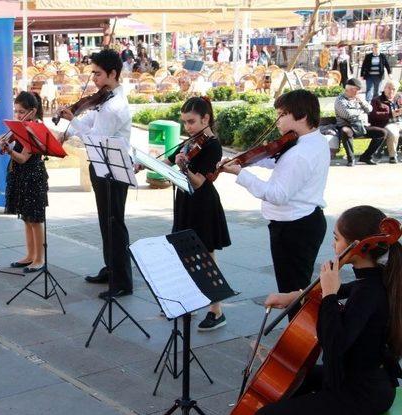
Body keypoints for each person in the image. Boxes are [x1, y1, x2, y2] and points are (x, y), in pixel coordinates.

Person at [254, 205, 402, 415]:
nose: (334, 244)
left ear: (358, 247)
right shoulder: (374, 278)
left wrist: (330, 296)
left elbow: (334, 346)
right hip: (360, 377)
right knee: (293, 379)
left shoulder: (370, 293)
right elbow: (349, 289)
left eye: (337, 238)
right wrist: (293, 296)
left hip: (364, 393)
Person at [219, 89, 329, 320]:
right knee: (296, 291)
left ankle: (300, 345)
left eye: (281, 114)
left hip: (294, 229)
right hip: (303, 223)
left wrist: (241, 173)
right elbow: (279, 162)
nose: (277, 121)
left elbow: (278, 194)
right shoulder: (313, 140)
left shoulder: (299, 153)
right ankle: (302, 339)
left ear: (300, 115)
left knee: (293, 295)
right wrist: (249, 159)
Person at [58, 49, 133, 299]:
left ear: (113, 74)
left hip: (113, 167)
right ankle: (111, 268)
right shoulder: (105, 98)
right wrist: (71, 129)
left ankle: (122, 281)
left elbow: (95, 138)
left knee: (115, 223)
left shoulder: (114, 106)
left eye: (98, 74)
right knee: (105, 221)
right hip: (102, 165)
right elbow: (90, 124)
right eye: (93, 73)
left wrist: (73, 121)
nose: (94, 80)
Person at [164, 97, 231, 331]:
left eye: (191, 122)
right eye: (184, 122)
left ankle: (216, 310)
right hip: (186, 200)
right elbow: (168, 160)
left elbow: (200, 182)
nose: (188, 127)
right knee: (186, 254)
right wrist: (146, 164)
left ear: (206, 118)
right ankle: (189, 302)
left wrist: (185, 167)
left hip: (202, 204)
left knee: (206, 257)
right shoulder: (191, 140)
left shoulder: (213, 145)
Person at [0, 92, 49, 273]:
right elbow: (12, 148)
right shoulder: (20, 128)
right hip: (21, 176)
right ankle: (30, 255)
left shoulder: (34, 130)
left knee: (35, 219)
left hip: (33, 177)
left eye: (22, 111)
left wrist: (9, 151)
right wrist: (4, 146)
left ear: (32, 111)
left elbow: (23, 158)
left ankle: (39, 259)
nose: (17, 115)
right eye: (16, 111)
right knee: (26, 218)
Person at [334, 78, 386, 166]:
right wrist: (361, 112)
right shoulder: (340, 100)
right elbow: (348, 115)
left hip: (362, 126)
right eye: (357, 90)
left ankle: (366, 157)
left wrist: (361, 102)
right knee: (346, 131)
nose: (358, 92)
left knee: (382, 133)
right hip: (349, 126)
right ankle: (351, 159)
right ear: (350, 90)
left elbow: (370, 109)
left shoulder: (359, 98)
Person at [369, 79, 401, 164]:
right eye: (389, 88)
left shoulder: (399, 98)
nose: (391, 91)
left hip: (400, 122)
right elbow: (374, 114)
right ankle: (393, 156)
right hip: (388, 123)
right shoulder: (377, 100)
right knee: (393, 132)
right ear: (384, 88)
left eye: (394, 89)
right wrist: (391, 114)